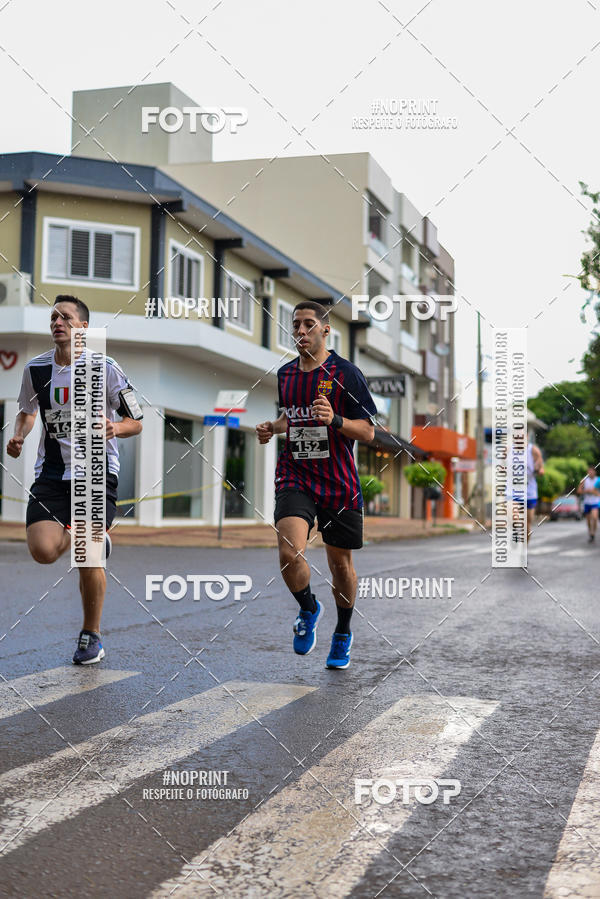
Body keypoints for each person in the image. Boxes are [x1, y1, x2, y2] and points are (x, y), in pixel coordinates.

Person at [6, 295, 143, 664]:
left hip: (96, 473)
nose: (57, 322)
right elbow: (27, 412)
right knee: (43, 550)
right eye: (53, 317)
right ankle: (94, 537)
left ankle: (91, 635)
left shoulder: (106, 367)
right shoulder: (36, 370)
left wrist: (116, 427)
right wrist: (20, 435)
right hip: (51, 474)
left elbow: (137, 420)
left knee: (87, 554)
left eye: (65, 317)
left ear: (83, 327)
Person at [255, 301, 376, 669]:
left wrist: (336, 418)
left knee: (341, 565)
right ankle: (309, 608)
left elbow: (369, 431)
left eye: (309, 324)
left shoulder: (346, 373)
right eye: (296, 325)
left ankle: (342, 632)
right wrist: (272, 428)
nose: (301, 331)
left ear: (326, 330)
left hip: (338, 483)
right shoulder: (286, 374)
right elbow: (291, 416)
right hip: (296, 475)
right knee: (289, 551)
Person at [526, 442, 544, 543]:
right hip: (514, 492)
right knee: (515, 519)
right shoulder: (509, 449)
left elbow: (540, 467)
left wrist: (540, 470)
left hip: (529, 493)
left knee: (527, 524)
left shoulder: (533, 450)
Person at [577, 465, 600, 542]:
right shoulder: (584, 480)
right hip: (587, 503)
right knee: (588, 521)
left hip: (595, 502)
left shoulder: (598, 480)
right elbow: (579, 491)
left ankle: (593, 533)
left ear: (595, 472)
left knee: (595, 517)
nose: (590, 473)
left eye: (592, 471)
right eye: (589, 471)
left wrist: (594, 492)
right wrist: (586, 491)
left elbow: (597, 492)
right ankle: (590, 532)